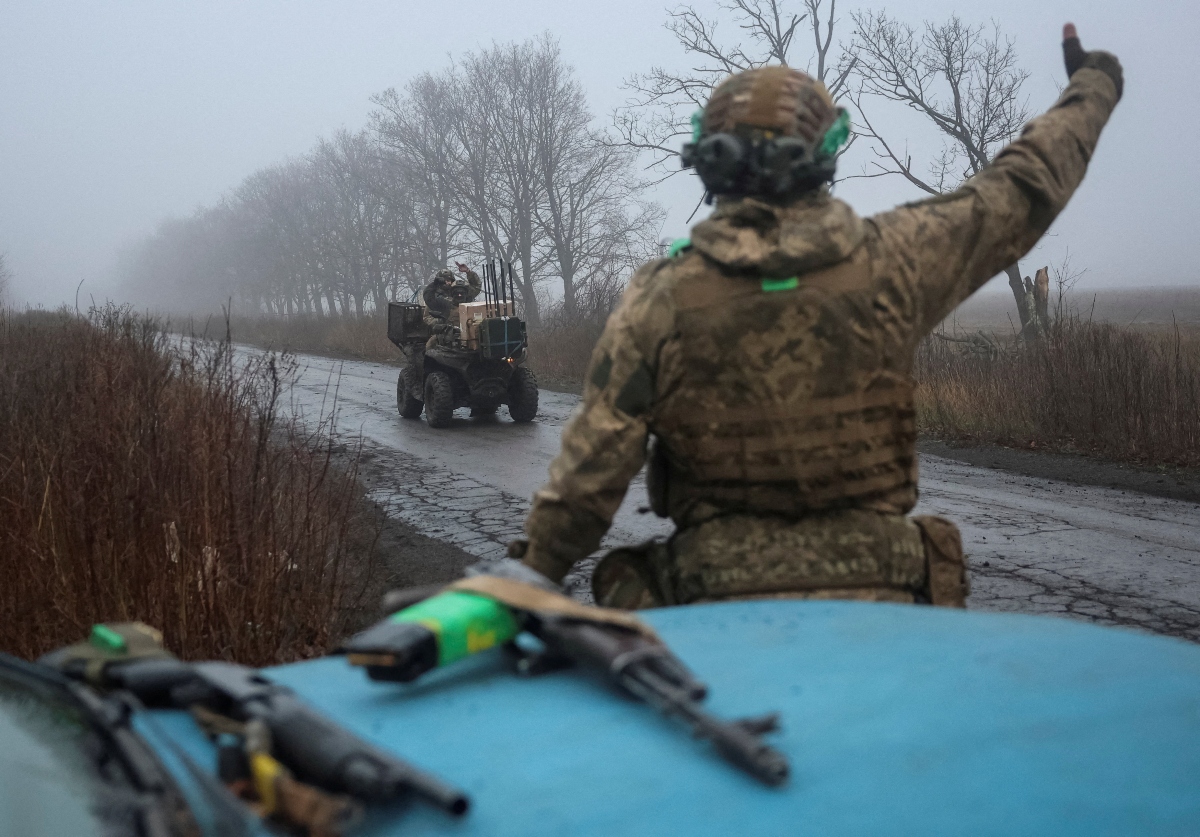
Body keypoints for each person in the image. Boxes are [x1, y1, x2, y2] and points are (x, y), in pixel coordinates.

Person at [511, 24, 1122, 608]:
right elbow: (1026, 184)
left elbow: (588, 480)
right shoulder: (897, 259)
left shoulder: (660, 298)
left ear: (709, 162)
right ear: (823, 154)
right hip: (884, 594)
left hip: (713, 599)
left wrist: (524, 577)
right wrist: (1095, 82)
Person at [405, 263, 483, 400]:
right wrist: (439, 324)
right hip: (444, 333)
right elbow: (428, 313)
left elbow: (476, 287)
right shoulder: (439, 300)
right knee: (430, 349)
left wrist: (468, 272)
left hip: (467, 334)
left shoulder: (463, 296)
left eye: (450, 280)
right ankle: (424, 380)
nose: (448, 283)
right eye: (445, 280)